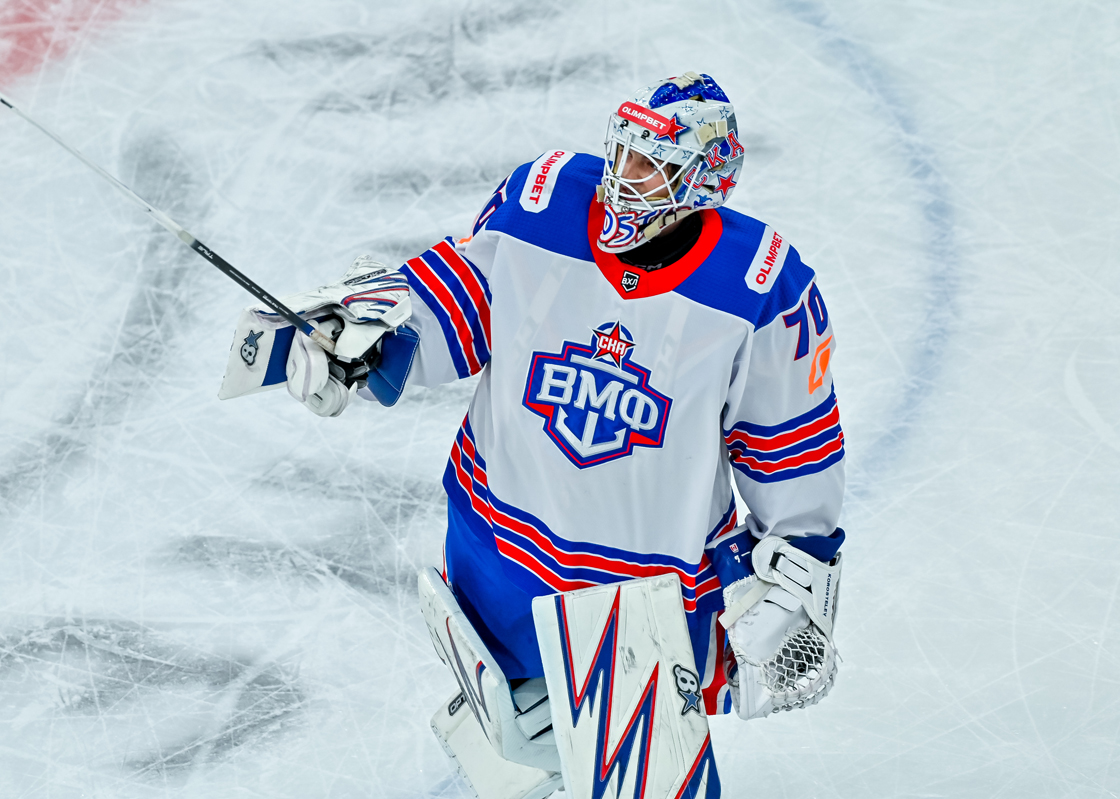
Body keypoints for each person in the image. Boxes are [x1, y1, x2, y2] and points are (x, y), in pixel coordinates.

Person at [274, 72, 846, 720]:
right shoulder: (542, 205)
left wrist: (796, 573)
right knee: (512, 747)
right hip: (500, 554)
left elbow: (791, 444)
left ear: (702, 182)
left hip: (645, 598)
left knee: (639, 758)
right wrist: (368, 337)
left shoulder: (760, 288)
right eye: (624, 151)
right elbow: (457, 303)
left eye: (652, 165)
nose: (625, 176)